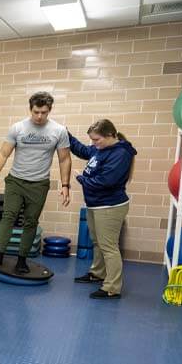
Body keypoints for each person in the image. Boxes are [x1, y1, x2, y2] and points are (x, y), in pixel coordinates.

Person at [0, 92, 72, 273]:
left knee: (31, 222)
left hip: (39, 184)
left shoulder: (59, 131)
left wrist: (65, 185)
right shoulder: (18, 128)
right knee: (9, 216)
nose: (39, 116)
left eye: (44, 112)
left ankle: (22, 259)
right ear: (30, 109)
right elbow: (3, 153)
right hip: (15, 181)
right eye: (36, 112)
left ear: (49, 110)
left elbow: (64, 159)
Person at [68, 119, 137, 299]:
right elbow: (83, 150)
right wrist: (66, 135)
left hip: (110, 206)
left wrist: (81, 179)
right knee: (98, 242)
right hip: (96, 204)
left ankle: (112, 288)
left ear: (110, 135)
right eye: (92, 140)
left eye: (96, 139)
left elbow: (105, 181)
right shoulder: (101, 148)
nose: (94, 143)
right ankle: (97, 273)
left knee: (109, 247)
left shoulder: (120, 153)